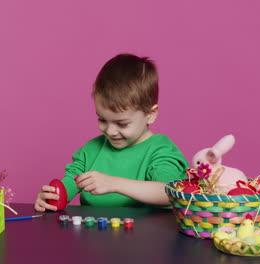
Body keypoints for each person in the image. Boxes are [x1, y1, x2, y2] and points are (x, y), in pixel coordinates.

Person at [34, 53, 188, 212]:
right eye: (102, 120)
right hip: (94, 235)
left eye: (122, 123)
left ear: (151, 114)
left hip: (148, 236)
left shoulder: (160, 150)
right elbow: (69, 185)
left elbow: (171, 193)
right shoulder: (92, 150)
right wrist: (52, 197)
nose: (110, 131)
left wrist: (114, 184)